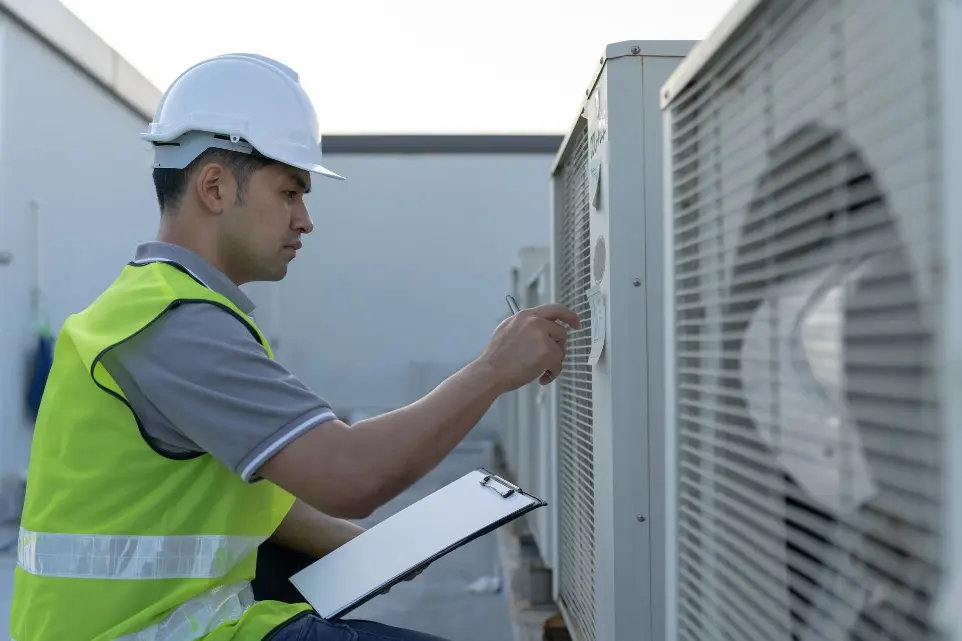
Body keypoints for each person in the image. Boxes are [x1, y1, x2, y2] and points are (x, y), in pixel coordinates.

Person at [9, 53, 579, 641]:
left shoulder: (157, 307)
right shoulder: (176, 326)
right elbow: (351, 476)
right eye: (289, 192)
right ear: (213, 186)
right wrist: (492, 369)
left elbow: (238, 497)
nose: (305, 220)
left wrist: (371, 550)